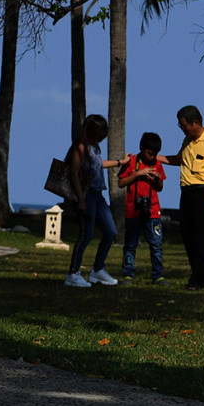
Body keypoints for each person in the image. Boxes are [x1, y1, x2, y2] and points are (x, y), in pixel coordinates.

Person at [159, 105, 204, 291]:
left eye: (184, 125)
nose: (182, 129)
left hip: (203, 193)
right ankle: (198, 275)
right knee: (187, 235)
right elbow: (180, 159)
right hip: (186, 193)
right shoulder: (188, 140)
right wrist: (158, 158)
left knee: (201, 237)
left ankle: (198, 279)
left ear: (195, 123)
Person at [65, 114, 132, 288]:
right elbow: (74, 174)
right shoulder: (80, 147)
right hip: (86, 195)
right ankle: (73, 273)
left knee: (110, 231)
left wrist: (120, 162)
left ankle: (98, 269)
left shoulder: (94, 147)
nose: (105, 134)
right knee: (85, 235)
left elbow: (98, 164)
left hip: (98, 195)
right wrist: (80, 199)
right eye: (102, 130)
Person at [117, 132, 168, 286]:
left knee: (156, 245)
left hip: (152, 211)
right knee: (130, 245)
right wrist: (138, 174)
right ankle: (128, 274)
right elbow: (121, 183)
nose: (152, 157)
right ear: (141, 148)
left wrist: (157, 180)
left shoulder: (157, 164)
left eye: (155, 154)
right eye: (150, 154)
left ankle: (158, 275)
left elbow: (160, 188)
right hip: (133, 210)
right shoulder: (131, 162)